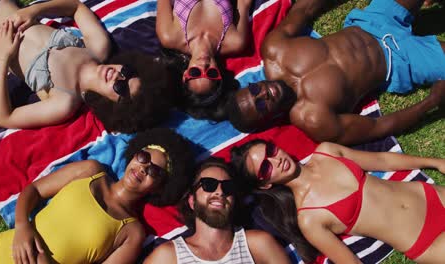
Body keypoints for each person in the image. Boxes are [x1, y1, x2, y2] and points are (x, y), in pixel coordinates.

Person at [226, 0, 445, 145]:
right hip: (398, 60)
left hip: (372, 21)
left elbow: (304, 10)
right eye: (261, 105)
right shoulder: (314, 119)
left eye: (254, 90)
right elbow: (379, 126)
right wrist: (431, 101)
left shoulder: (275, 50)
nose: (263, 94)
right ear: (268, 120)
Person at [0, 127, 195, 263]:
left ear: (159, 187)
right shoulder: (90, 171)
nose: (144, 168)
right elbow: (33, 190)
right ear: (133, 155)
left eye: (155, 171)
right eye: (144, 157)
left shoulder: (132, 233)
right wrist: (23, 226)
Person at [231, 139, 445, 263]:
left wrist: (435, 162)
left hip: (431, 194)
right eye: (265, 168)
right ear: (265, 185)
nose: (275, 160)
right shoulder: (309, 219)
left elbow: (382, 160)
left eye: (270, 150)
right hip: (425, 240)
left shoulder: (327, 152)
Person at [0, 0, 175, 132]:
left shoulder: (64, 103)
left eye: (120, 88)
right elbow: (77, 8)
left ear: (114, 107)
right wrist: (34, 10)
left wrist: (3, 58)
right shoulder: (98, 48)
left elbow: (3, 118)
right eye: (127, 72)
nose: (118, 76)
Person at [144, 157, 291, 264]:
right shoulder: (168, 257)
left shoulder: (258, 244)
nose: (220, 192)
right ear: (192, 201)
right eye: (209, 185)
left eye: (228, 187)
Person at [155, 0, 252, 121]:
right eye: (211, 73)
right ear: (219, 75)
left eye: (195, 72)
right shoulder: (235, 41)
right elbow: (244, 3)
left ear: (185, 75)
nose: (203, 65)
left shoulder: (169, 36)